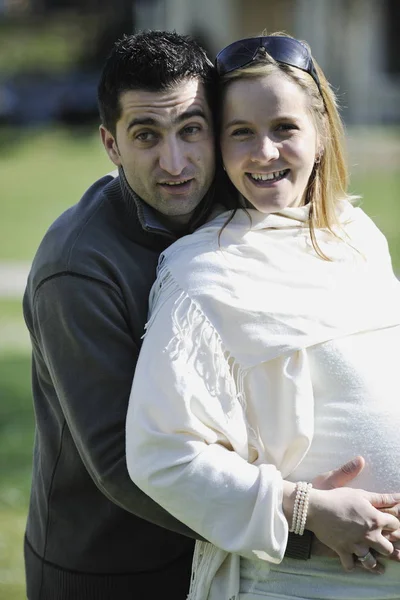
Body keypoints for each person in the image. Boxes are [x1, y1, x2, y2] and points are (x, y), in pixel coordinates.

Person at [22, 30, 346, 600]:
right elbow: (123, 464)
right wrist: (303, 526)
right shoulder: (76, 270)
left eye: (191, 130)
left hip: (226, 563)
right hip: (113, 570)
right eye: (147, 135)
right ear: (111, 143)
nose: (176, 163)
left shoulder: (228, 203)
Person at [125, 32, 400, 599]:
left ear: (321, 136)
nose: (265, 152)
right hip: (300, 582)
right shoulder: (202, 274)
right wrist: (304, 509)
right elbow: (163, 454)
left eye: (285, 128)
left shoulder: (357, 236)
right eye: (241, 133)